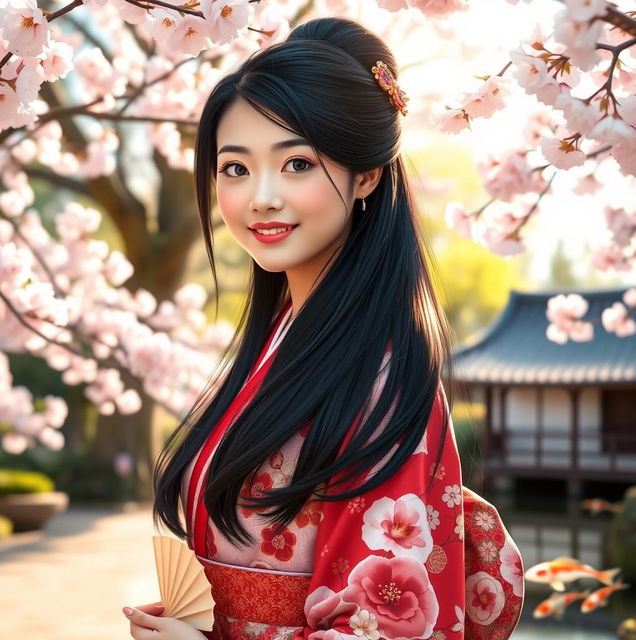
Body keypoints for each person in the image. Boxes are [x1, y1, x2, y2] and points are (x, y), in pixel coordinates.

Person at [122, 16, 524, 640]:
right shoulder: (284, 340)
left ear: (366, 175)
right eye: (235, 168)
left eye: (297, 164)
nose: (260, 197)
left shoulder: (381, 376)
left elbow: (386, 631)